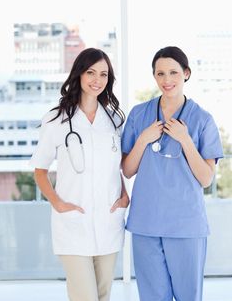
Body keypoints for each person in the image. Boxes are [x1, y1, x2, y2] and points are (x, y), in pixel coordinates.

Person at [121, 46, 223, 301]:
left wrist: (185, 140)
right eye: (161, 73)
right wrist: (143, 139)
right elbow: (128, 169)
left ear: (186, 74)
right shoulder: (139, 114)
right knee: (152, 296)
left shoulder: (202, 119)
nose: (167, 80)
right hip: (146, 222)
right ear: (154, 76)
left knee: (188, 296)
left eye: (174, 72)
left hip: (185, 224)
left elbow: (206, 178)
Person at [30, 47, 129, 301]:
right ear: (79, 75)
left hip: (109, 221)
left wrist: (124, 195)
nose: (97, 80)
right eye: (91, 72)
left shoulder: (114, 119)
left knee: (103, 295)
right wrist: (58, 204)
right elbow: (40, 170)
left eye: (104, 74)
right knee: (85, 297)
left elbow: (116, 165)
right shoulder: (56, 119)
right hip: (73, 223)